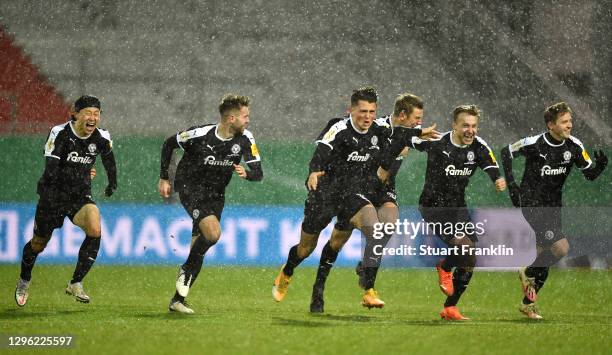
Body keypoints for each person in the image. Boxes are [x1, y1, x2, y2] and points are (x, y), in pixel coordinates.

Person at [272, 87, 438, 312]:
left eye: (372, 111)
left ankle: (367, 287)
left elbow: (399, 134)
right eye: (362, 111)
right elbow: (322, 148)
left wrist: (419, 135)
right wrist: (314, 171)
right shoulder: (339, 128)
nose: (367, 117)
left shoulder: (378, 129)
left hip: (353, 194)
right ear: (350, 109)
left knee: (376, 231)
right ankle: (288, 271)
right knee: (305, 248)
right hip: (325, 194)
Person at [380, 104, 506, 320]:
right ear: (454, 126)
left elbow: (491, 164)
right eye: (465, 125)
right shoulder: (437, 141)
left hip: (458, 207)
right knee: (463, 246)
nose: (470, 130)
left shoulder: (478, 146)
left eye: (474, 126)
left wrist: (497, 178)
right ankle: (445, 266)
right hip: (432, 206)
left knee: (470, 258)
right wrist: (390, 160)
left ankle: (450, 307)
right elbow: (403, 138)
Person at [310, 93, 426, 313]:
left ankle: (367, 276)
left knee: (388, 226)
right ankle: (318, 288)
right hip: (360, 188)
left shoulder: (410, 134)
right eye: (416, 118)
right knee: (336, 241)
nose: (418, 123)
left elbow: (424, 142)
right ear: (402, 115)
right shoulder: (379, 127)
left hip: (383, 189)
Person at [500, 102, 607, 319]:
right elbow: (506, 152)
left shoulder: (574, 146)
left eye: (570, 121)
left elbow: (589, 174)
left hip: (554, 206)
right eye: (565, 122)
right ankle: (527, 272)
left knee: (544, 255)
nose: (570, 125)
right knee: (560, 248)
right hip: (532, 203)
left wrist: (600, 166)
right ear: (551, 125)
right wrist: (512, 185)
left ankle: (528, 303)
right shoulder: (534, 143)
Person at [159, 94, 263, 314]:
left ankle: (177, 300)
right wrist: (164, 177)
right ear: (231, 118)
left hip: (217, 194)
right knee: (213, 234)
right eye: (245, 116)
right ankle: (185, 270)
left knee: (199, 247)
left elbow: (259, 173)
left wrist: (248, 174)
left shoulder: (246, 139)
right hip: (190, 188)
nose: (248, 120)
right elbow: (169, 144)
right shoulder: (200, 134)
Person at [14, 95, 117, 307]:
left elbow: (109, 159)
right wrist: (81, 172)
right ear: (75, 114)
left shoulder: (102, 137)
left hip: (78, 197)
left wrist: (112, 183)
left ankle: (75, 282)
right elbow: (51, 171)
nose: (93, 117)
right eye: (88, 113)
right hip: (53, 195)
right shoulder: (59, 133)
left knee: (95, 228)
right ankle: (24, 279)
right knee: (38, 244)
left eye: (96, 114)